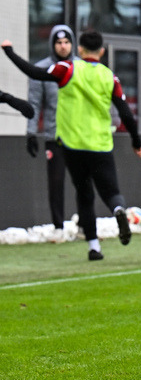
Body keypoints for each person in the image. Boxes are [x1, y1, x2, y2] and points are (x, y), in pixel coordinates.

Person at [3, 30, 141, 261]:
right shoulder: (110, 76)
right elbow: (126, 114)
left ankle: (94, 246)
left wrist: (9, 51)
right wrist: (136, 142)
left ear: (79, 49)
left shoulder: (67, 69)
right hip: (100, 144)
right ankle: (119, 210)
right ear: (102, 51)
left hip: (72, 145)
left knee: (84, 194)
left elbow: (33, 71)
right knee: (111, 192)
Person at [26, 24, 76, 237]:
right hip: (55, 137)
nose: (63, 47)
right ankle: (58, 227)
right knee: (56, 183)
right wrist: (30, 132)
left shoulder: (81, 68)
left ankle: (85, 225)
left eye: (66, 42)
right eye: (59, 42)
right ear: (52, 45)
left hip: (81, 137)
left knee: (85, 183)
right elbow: (34, 104)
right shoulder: (42, 70)